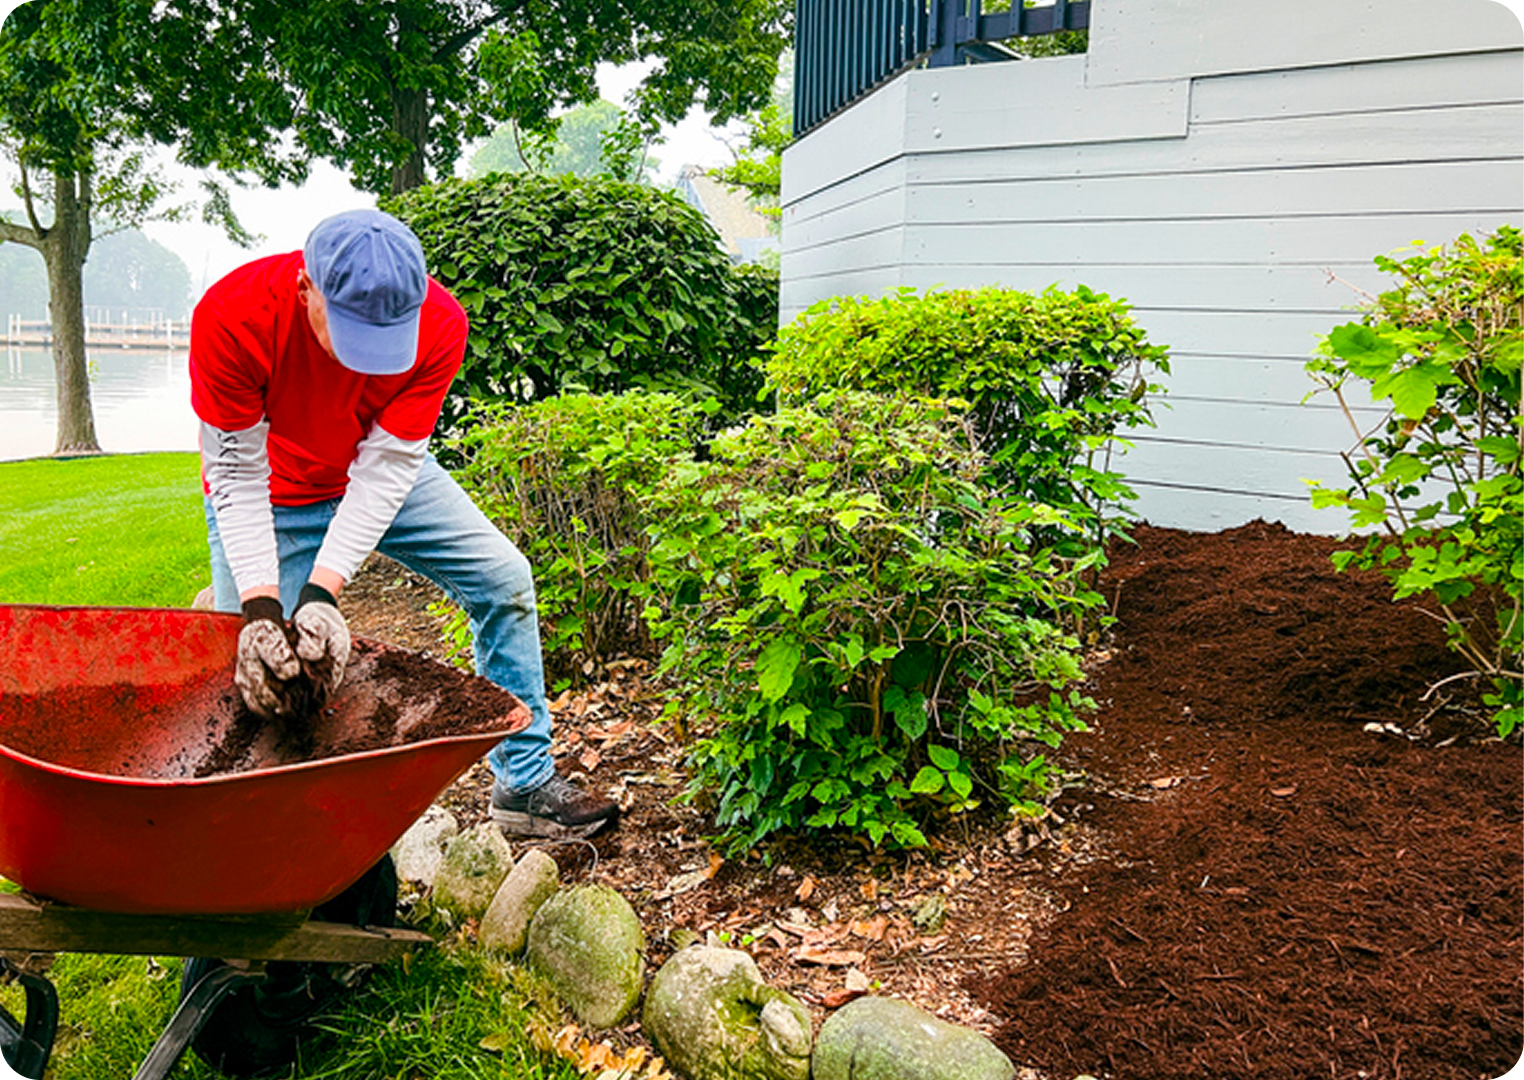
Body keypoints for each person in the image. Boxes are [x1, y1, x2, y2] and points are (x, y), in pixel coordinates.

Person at [190, 207, 619, 841]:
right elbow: (236, 474)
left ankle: (524, 788)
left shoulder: (440, 325)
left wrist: (321, 595)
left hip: (378, 466)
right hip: (272, 491)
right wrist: (261, 605)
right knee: (259, 675)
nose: (371, 362)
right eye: (354, 334)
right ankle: (246, 843)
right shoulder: (233, 317)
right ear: (306, 288)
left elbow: (389, 467)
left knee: (504, 579)